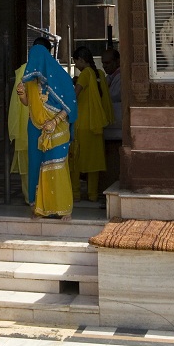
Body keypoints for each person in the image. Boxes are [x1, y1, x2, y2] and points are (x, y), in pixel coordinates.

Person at [16, 37, 77, 219]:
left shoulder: (60, 76)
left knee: (56, 166)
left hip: (57, 129)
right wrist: (21, 95)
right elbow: (29, 104)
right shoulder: (29, 80)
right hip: (35, 127)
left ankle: (63, 209)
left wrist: (55, 121)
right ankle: (38, 207)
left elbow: (70, 105)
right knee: (36, 166)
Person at [70, 47, 113, 203]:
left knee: (76, 160)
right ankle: (93, 194)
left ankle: (75, 194)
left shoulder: (85, 74)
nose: (76, 65)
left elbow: (75, 95)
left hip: (82, 124)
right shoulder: (100, 74)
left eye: (76, 62)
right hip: (97, 124)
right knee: (94, 161)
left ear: (81, 60)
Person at [8, 61, 30, 203]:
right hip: (35, 124)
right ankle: (34, 198)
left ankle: (30, 198)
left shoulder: (24, 71)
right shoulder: (30, 70)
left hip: (28, 126)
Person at [102, 47, 122, 192]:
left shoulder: (121, 78)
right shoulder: (108, 78)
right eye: (103, 63)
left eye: (108, 63)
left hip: (118, 126)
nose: (105, 66)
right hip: (108, 127)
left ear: (117, 62)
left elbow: (113, 96)